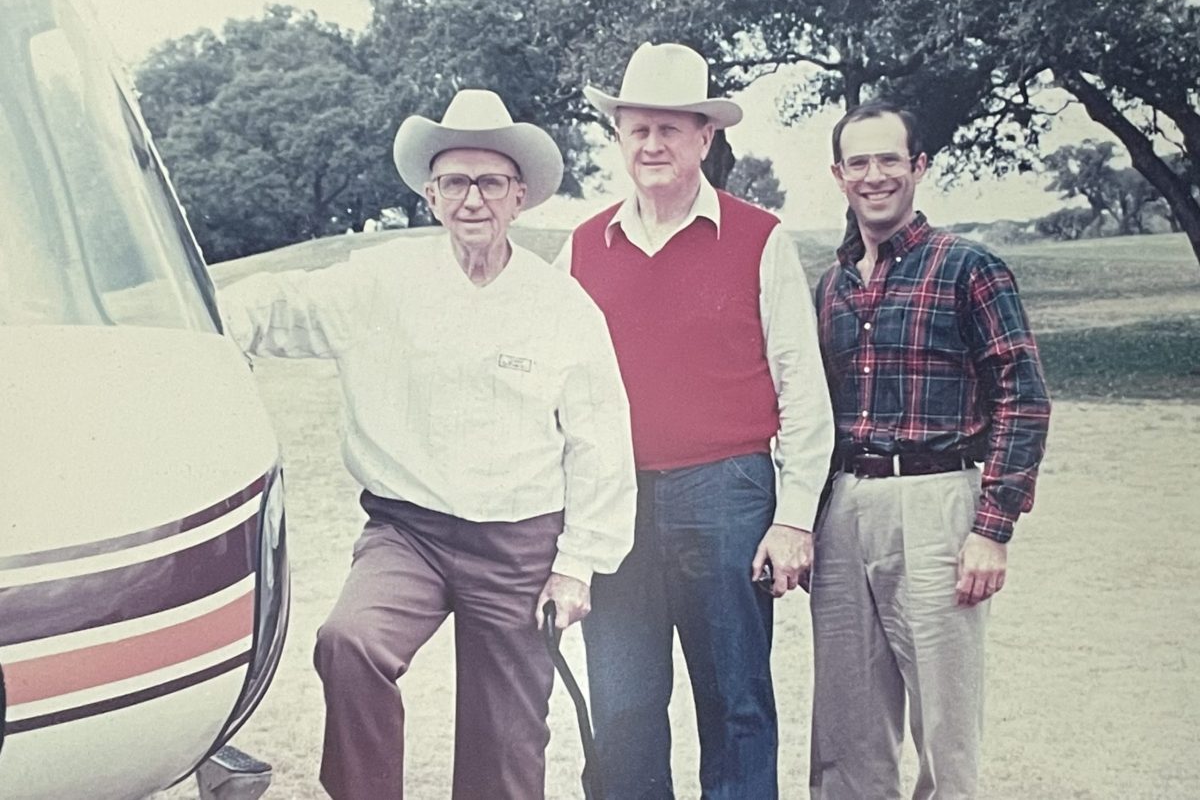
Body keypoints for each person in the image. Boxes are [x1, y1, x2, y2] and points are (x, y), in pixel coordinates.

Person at [219, 89, 637, 800]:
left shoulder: (561, 305)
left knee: (506, 748)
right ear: (431, 195)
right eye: (453, 182)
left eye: (490, 182)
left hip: (517, 542)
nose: (472, 199)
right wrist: (194, 324)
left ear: (519, 196)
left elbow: (600, 441)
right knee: (349, 643)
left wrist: (577, 566)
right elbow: (279, 307)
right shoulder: (382, 281)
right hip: (407, 532)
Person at [556, 42, 835, 799]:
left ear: (704, 138)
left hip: (728, 496)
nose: (652, 145)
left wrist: (794, 519)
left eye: (670, 129)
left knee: (736, 702)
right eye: (637, 129)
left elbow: (802, 389)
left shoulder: (759, 237)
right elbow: (552, 389)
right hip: (617, 505)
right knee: (624, 707)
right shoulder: (582, 249)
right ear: (618, 136)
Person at [809, 101, 1052, 799]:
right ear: (839, 174)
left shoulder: (968, 267)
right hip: (847, 505)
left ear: (918, 167)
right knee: (847, 722)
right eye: (859, 161)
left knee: (945, 721)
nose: (874, 175)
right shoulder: (832, 286)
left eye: (890, 159)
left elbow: (1023, 396)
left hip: (938, 498)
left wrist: (992, 530)